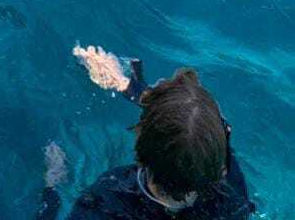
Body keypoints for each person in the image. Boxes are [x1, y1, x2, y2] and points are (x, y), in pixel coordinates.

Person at [37, 45, 255, 218]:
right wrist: (138, 92)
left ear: (138, 145)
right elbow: (209, 136)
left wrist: (52, 188)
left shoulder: (107, 199)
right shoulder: (233, 202)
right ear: (221, 168)